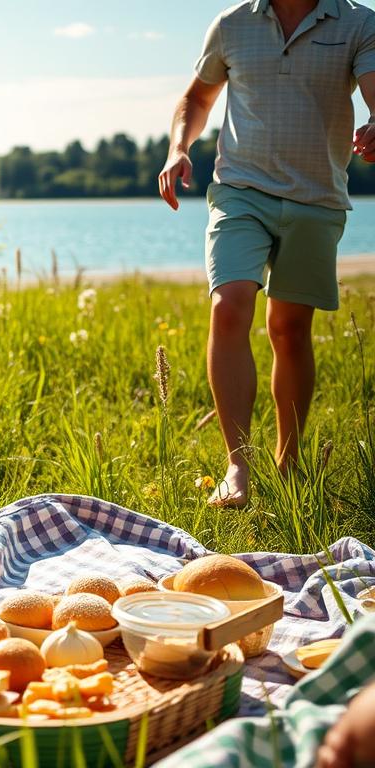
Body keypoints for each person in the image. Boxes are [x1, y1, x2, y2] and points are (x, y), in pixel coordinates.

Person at [158, 0, 375, 507]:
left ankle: (291, 462)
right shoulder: (233, 24)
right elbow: (197, 98)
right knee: (229, 305)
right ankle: (237, 465)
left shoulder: (360, 23)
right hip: (240, 190)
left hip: (317, 197)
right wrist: (179, 147)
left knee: (289, 329)